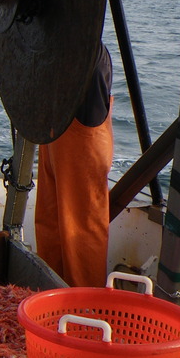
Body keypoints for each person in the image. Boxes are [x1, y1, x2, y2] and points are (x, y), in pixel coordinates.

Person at [34, 43, 113, 288]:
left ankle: (85, 313)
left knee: (80, 228)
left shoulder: (88, 53)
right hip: (55, 123)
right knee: (50, 220)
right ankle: (53, 300)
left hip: (81, 131)